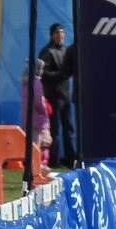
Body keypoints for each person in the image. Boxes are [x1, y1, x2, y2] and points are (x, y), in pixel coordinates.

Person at [39, 22, 76, 166]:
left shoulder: (67, 50)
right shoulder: (47, 52)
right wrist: (60, 75)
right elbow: (42, 73)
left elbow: (70, 70)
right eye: (56, 32)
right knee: (55, 129)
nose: (59, 35)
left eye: (61, 32)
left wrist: (66, 74)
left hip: (66, 94)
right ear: (51, 34)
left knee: (69, 128)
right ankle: (53, 159)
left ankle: (71, 158)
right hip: (53, 95)